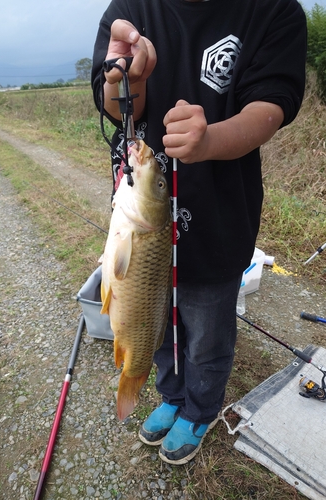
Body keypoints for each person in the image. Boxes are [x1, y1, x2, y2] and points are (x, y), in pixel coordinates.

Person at [91, 0, 307, 465]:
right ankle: (170, 395)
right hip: (147, 226)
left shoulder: (275, 12)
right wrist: (125, 81)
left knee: (207, 334)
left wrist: (208, 141)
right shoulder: (130, 9)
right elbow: (116, 109)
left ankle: (201, 408)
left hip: (220, 222)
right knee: (156, 323)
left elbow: (273, 105)